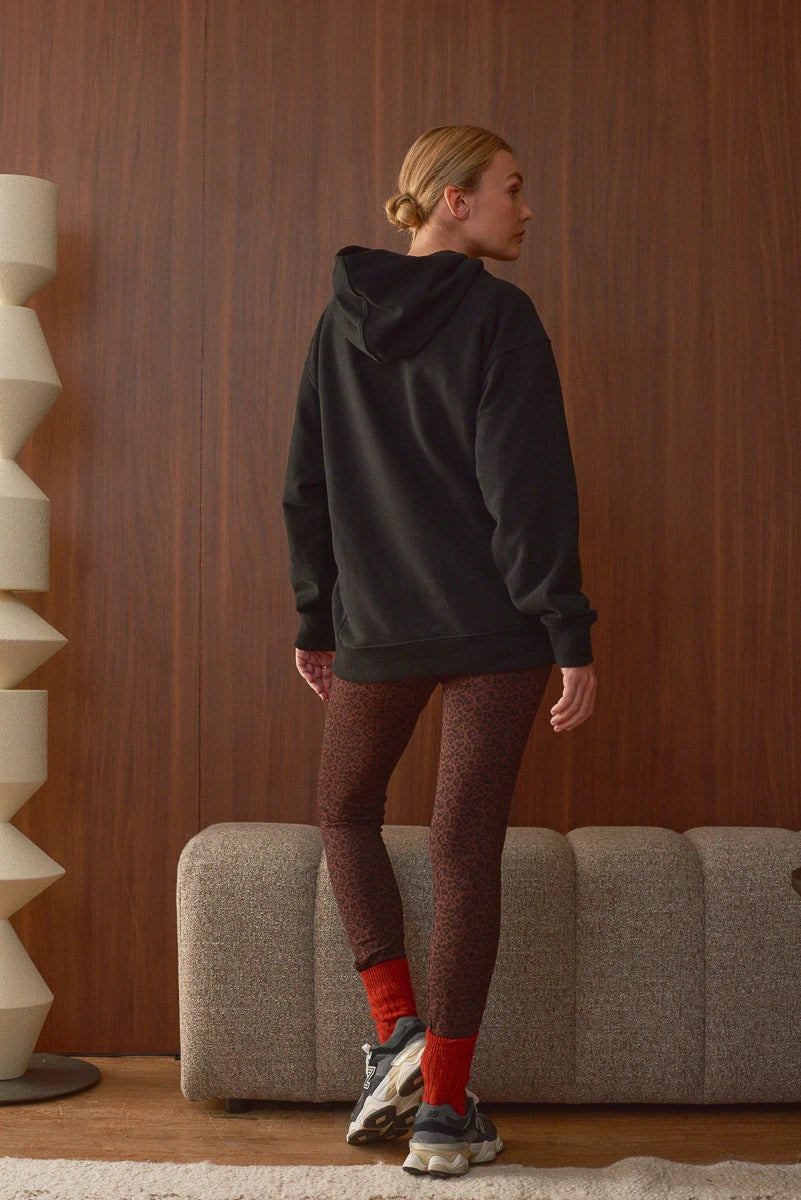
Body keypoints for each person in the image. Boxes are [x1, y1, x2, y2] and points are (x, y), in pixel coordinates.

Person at [282, 124, 598, 1179]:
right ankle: (444, 1109)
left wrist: (317, 618)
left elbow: (306, 485)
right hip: (495, 631)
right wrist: (566, 628)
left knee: (345, 813)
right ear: (453, 201)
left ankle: (397, 1036)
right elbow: (528, 485)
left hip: (377, 627)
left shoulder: (338, 321)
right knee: (464, 849)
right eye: (512, 187)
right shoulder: (502, 317)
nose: (526, 208)